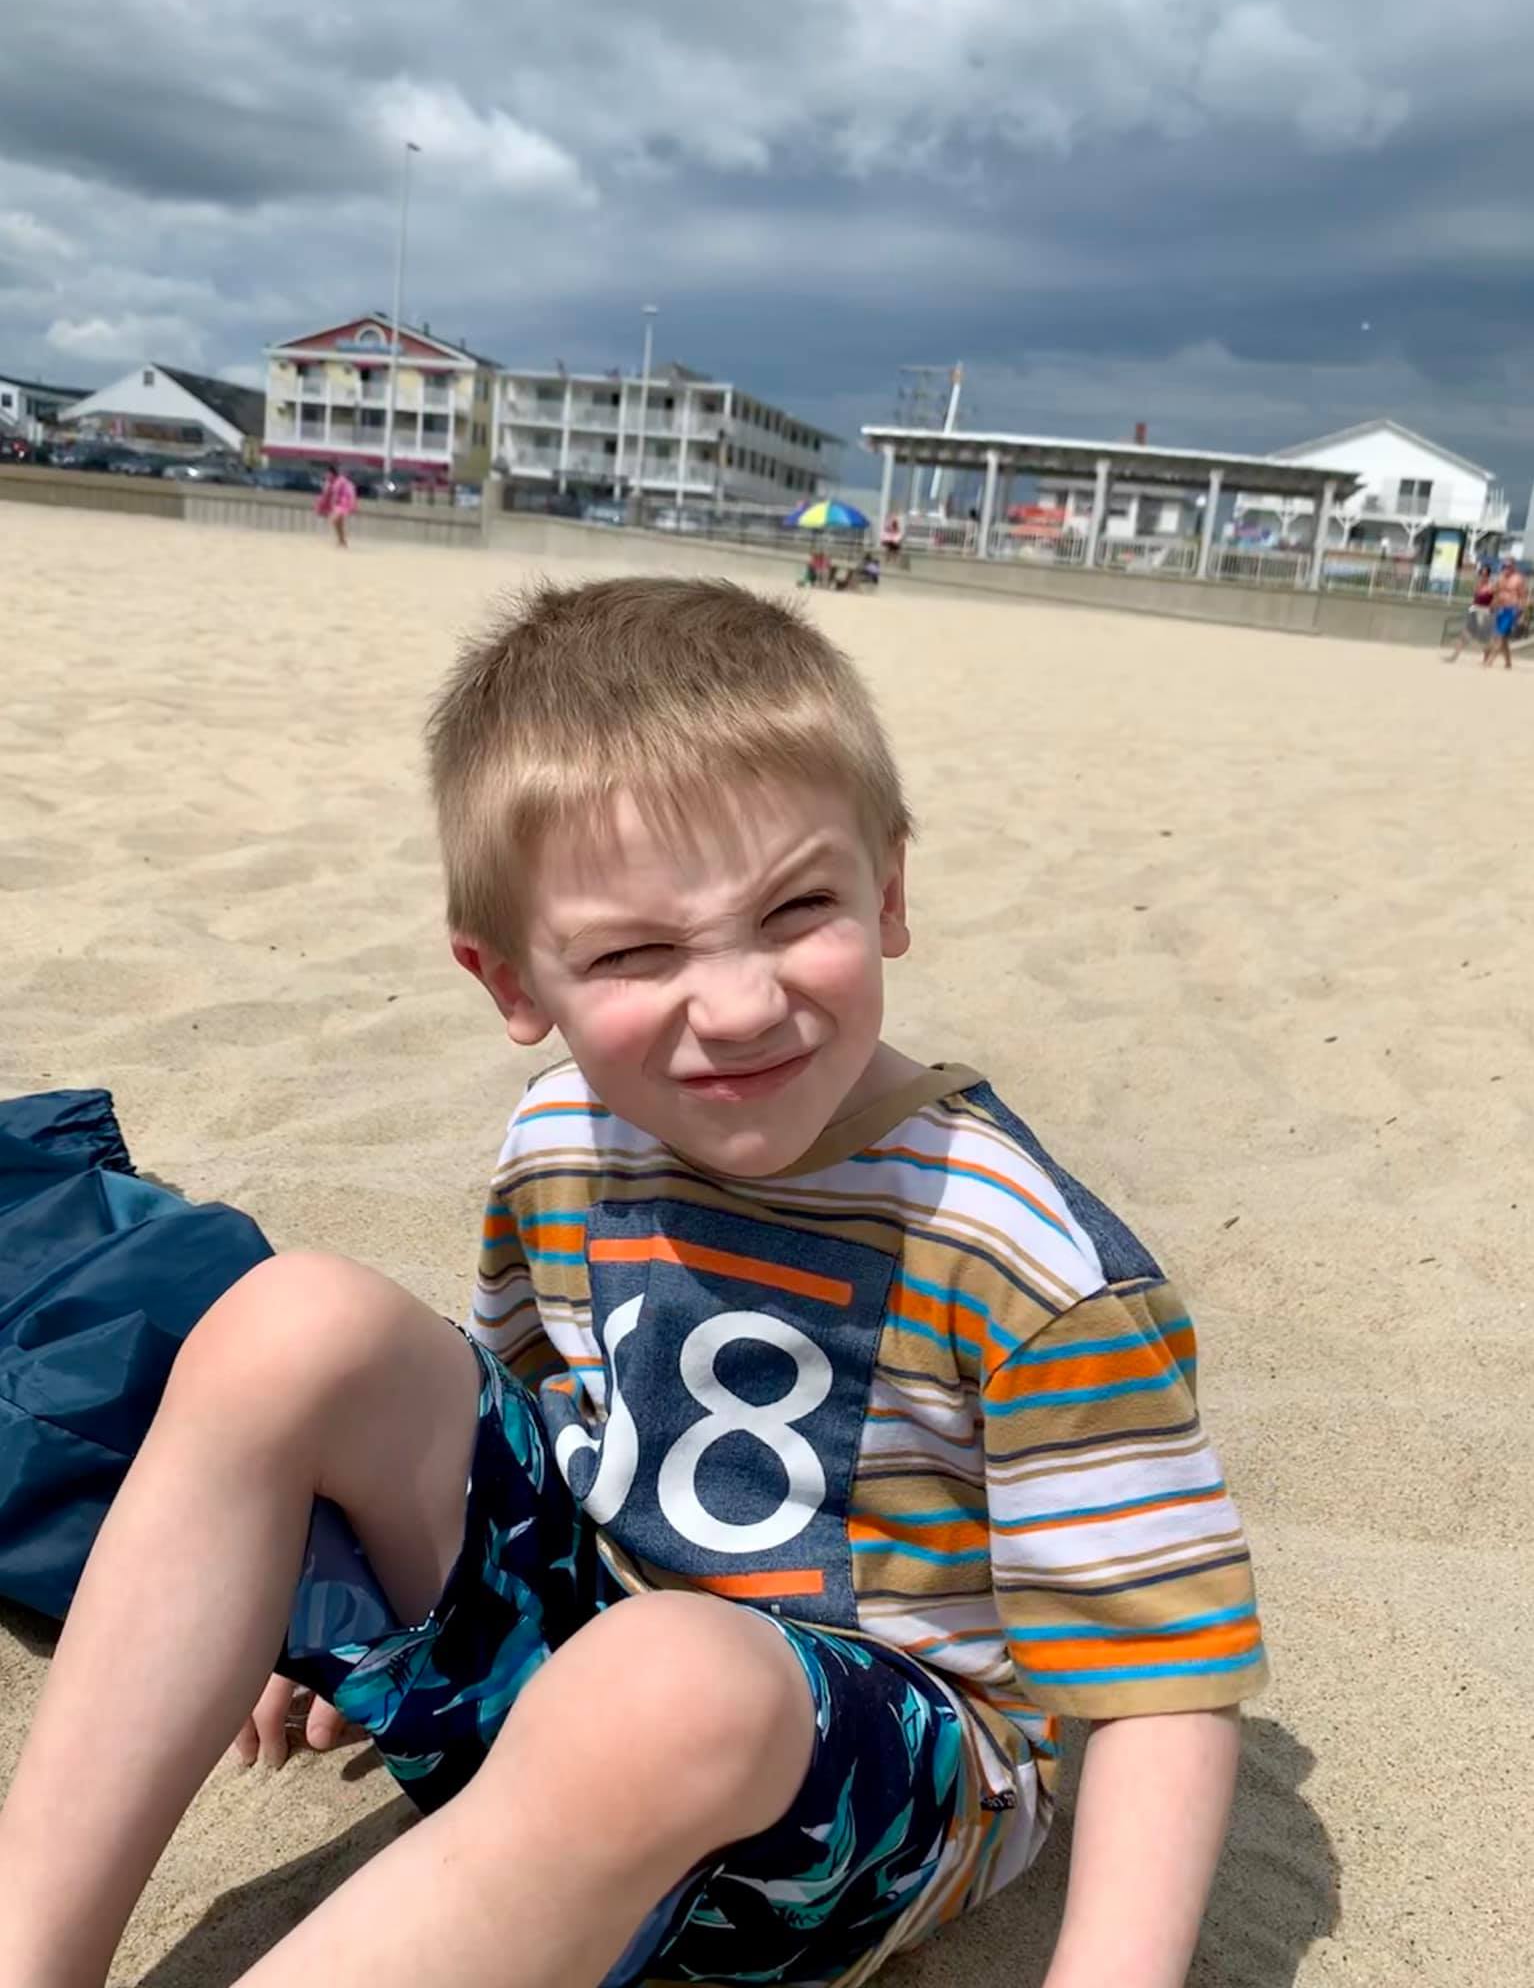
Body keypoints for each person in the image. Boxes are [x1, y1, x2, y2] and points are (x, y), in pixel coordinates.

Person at [0, 579, 1266, 1988]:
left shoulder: (1020, 1251)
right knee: (292, 1322)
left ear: (890, 890)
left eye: (797, 908)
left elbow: (1160, 1680)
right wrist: (273, 1605)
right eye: (634, 952)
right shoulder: (564, 1134)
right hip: (577, 1667)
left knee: (668, 1676)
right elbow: (522, 1413)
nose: (738, 1003)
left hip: (853, 1806)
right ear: (511, 982)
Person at [1483, 558, 1527, 671]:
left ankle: (1489, 661)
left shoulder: (1518, 579)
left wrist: (1522, 614)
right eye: (1504, 566)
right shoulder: (1500, 577)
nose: (1506, 568)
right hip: (1500, 609)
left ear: (1513, 567)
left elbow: (1523, 597)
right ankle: (1508, 663)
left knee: (1500, 636)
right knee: (1502, 639)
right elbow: (1495, 592)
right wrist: (1492, 604)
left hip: (1512, 610)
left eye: (1508, 566)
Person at [1446, 563, 1494, 662]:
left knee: (1484, 638)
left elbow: (1494, 600)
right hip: (1474, 610)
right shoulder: (1478, 585)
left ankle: (1486, 658)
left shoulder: (1491, 586)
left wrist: (1492, 610)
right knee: (1464, 634)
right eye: (1481, 574)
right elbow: (1475, 599)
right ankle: (1454, 656)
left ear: (1488, 576)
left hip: (1485, 612)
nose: (1483, 577)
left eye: (1485, 575)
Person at [316, 462, 358, 548]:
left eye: (328, 474)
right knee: (338, 523)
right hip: (338, 505)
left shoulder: (341, 481)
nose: (326, 476)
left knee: (335, 521)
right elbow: (325, 494)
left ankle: (342, 540)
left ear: (333, 474)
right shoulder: (329, 483)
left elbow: (349, 491)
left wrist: (352, 502)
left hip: (345, 503)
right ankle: (342, 541)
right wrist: (321, 506)